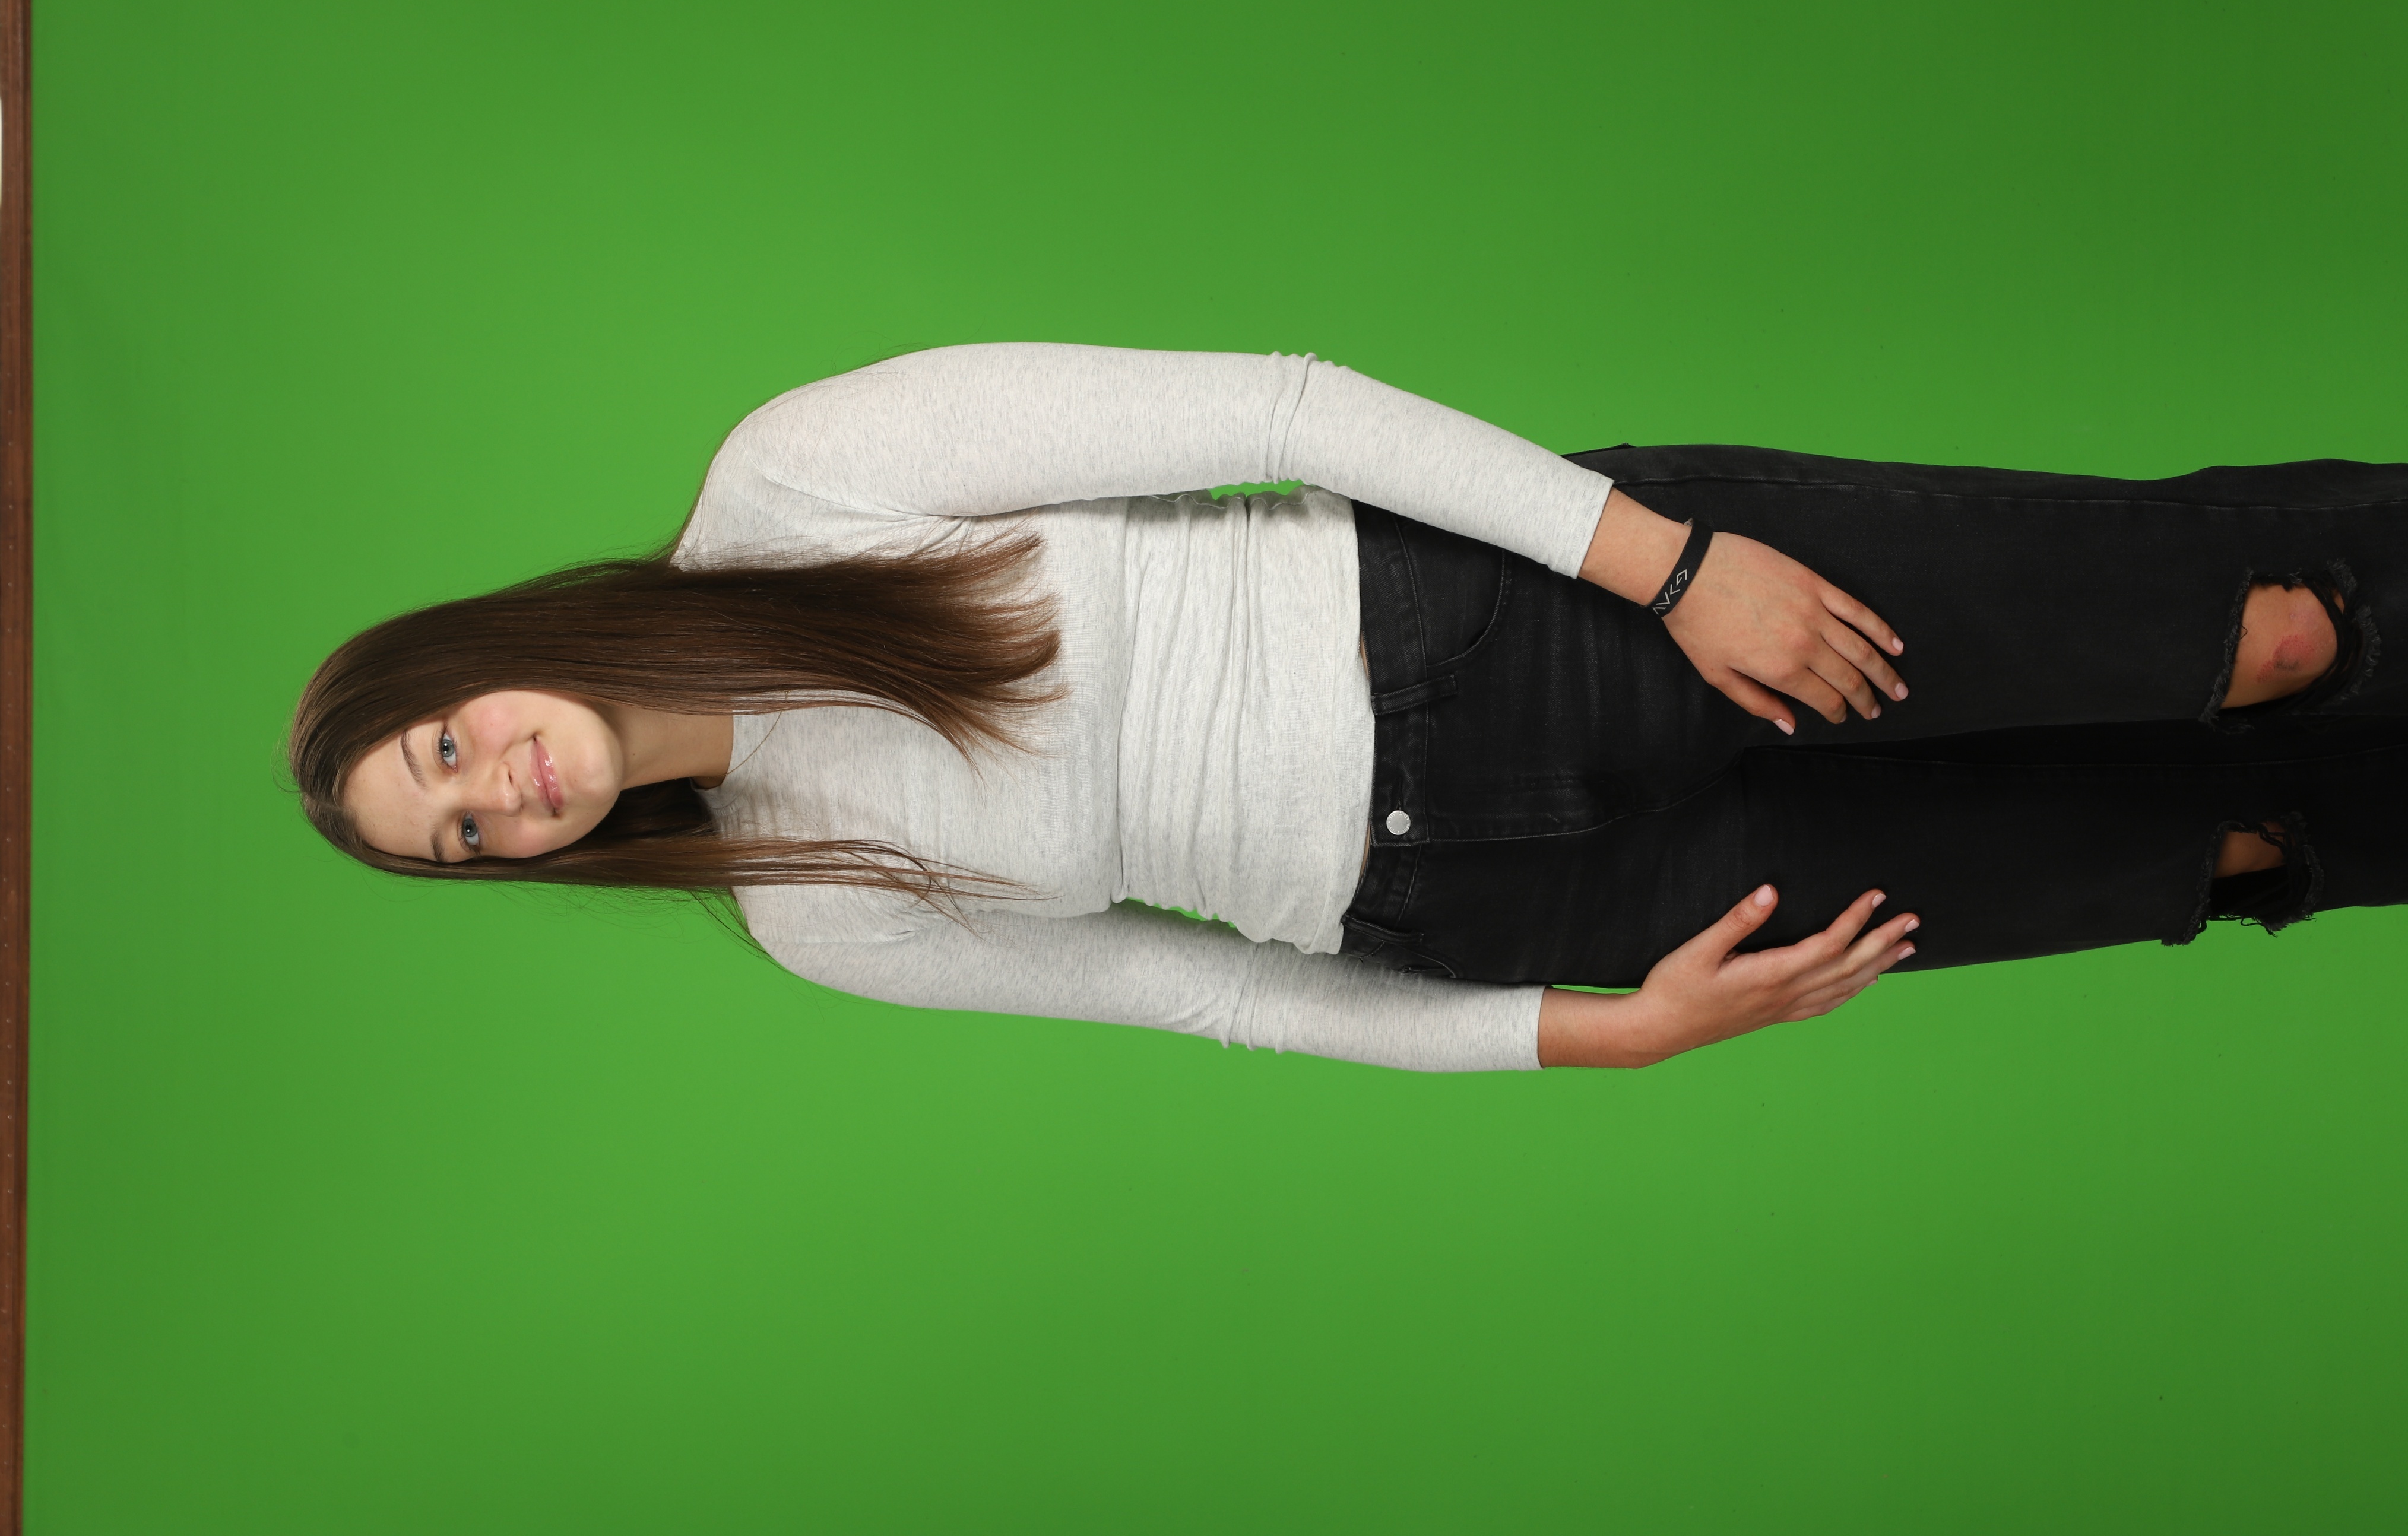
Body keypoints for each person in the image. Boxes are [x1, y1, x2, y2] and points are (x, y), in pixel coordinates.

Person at [289, 344, 2408, 1073]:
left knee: (2259, 638)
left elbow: (1278, 410)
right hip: (1506, 902)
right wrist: (1604, 1033)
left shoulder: (797, 482)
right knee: (2211, 851)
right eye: (464, 836)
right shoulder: (813, 916)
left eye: (444, 746)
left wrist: (1669, 567)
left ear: (470, 656)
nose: (501, 792)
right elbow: (1211, 995)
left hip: (1523, 620)